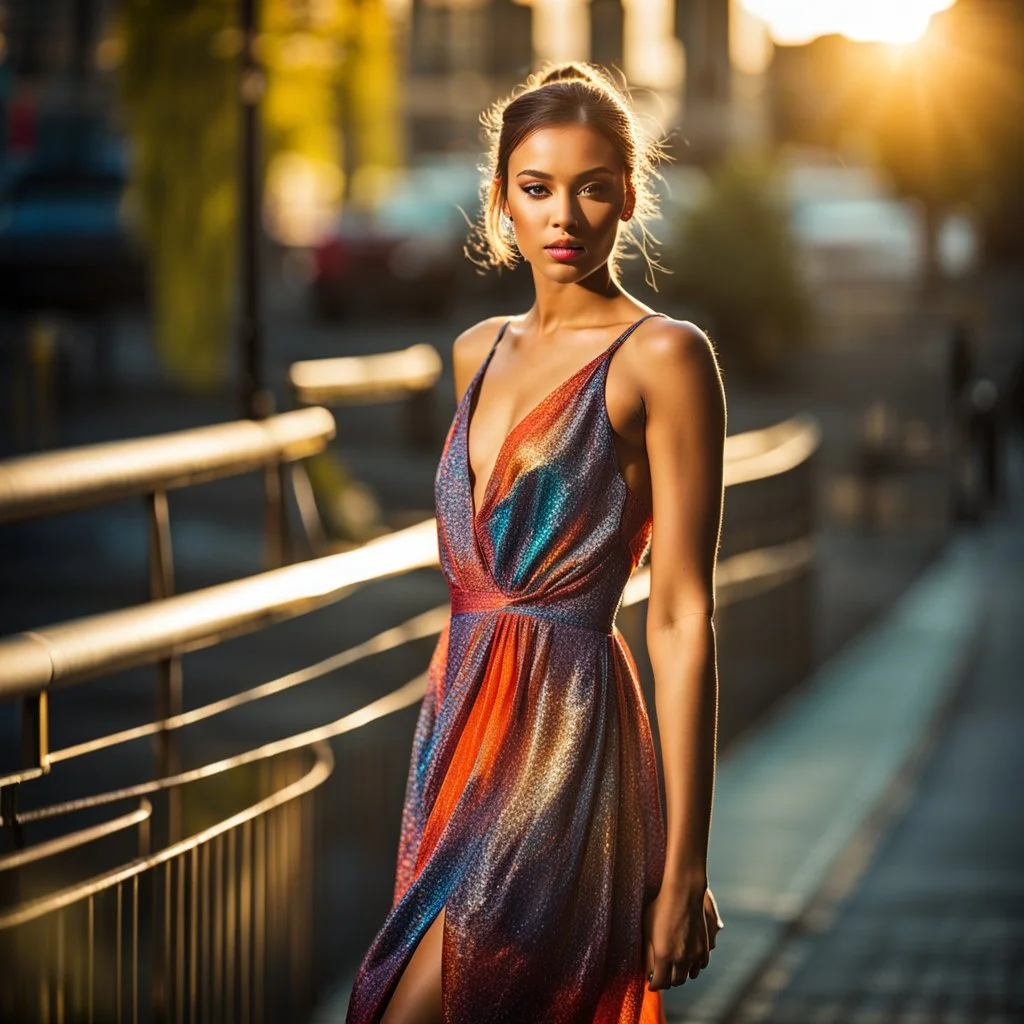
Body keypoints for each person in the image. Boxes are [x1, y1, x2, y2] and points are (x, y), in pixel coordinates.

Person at [346, 61, 727, 1024]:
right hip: (458, 731)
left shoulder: (665, 357)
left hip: (568, 741)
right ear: (501, 201)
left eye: (594, 187)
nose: (565, 214)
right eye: (537, 187)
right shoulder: (476, 350)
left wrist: (684, 870)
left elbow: (681, 613)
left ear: (629, 198)